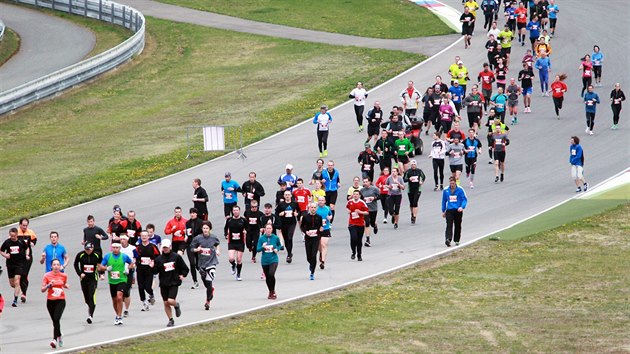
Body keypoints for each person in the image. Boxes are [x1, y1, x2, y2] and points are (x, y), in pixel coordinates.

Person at [150, 238, 189, 327]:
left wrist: (183, 275)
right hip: (164, 283)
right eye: (164, 248)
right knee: (166, 302)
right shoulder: (159, 259)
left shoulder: (176, 257)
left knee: (170, 300)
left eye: (167, 247)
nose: (165, 249)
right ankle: (170, 319)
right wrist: (152, 267)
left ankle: (176, 305)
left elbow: (185, 268)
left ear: (170, 247)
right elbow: (155, 272)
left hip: (174, 282)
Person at [98, 242, 134, 326]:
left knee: (119, 297)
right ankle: (117, 314)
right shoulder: (108, 256)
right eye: (114, 248)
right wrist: (106, 268)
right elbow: (100, 267)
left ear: (120, 248)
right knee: (114, 300)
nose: (115, 249)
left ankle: (119, 316)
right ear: (111, 248)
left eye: (117, 248)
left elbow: (131, 263)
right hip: (112, 281)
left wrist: (128, 269)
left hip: (122, 279)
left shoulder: (124, 256)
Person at [191, 221, 221, 310]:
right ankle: (210, 289)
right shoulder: (198, 238)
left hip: (212, 262)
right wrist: (197, 249)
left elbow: (217, 244)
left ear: (209, 229)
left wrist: (218, 250)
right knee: (205, 281)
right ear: (202, 229)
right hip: (202, 263)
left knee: (209, 279)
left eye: (207, 228)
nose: (205, 230)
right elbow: (192, 248)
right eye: (204, 228)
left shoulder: (214, 237)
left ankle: (207, 301)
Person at [41, 259, 68, 349]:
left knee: (56, 318)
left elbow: (64, 284)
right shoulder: (47, 276)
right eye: (54, 265)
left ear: (60, 266)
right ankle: (59, 335)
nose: (56, 266)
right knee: (55, 321)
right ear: (51, 266)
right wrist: (48, 285)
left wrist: (66, 286)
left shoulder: (63, 275)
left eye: (57, 264)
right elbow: (42, 290)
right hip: (50, 301)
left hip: (60, 300)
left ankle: (54, 340)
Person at [1, 228, 30, 307]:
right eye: (11, 236)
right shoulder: (7, 242)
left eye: (13, 236)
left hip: (19, 264)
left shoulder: (21, 242)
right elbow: (1, 250)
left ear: (17, 234)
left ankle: (15, 300)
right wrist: (5, 255)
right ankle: (18, 289)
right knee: (12, 284)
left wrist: (27, 255)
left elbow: (27, 248)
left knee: (17, 281)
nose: (12, 237)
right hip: (10, 265)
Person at [73, 242, 101, 323]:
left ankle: (90, 316)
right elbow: (75, 264)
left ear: (92, 248)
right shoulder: (80, 255)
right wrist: (79, 273)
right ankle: (90, 307)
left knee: (91, 295)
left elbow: (101, 265)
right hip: (84, 279)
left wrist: (101, 274)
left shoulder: (97, 255)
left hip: (93, 278)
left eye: (89, 249)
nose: (88, 251)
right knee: (86, 298)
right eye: (86, 249)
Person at [257, 224, 283, 300]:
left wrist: (277, 249)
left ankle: (273, 291)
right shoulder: (262, 238)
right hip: (265, 260)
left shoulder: (275, 238)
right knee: (267, 277)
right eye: (267, 228)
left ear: (272, 229)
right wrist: (263, 247)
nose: (268, 230)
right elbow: (257, 249)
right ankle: (270, 291)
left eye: (270, 228)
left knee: (271, 274)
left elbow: (279, 245)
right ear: (265, 229)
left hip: (273, 259)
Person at [135, 231, 159, 312]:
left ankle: (151, 294)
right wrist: (136, 262)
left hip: (149, 270)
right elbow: (135, 257)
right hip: (140, 270)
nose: (144, 237)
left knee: (147, 287)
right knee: (141, 287)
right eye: (142, 236)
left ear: (148, 237)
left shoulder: (152, 247)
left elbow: (158, 257)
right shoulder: (138, 247)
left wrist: (153, 262)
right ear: (140, 237)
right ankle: (144, 303)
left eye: (145, 236)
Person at [441, 176, 468, 247]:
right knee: (449, 224)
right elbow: (444, 201)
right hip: (449, 210)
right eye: (451, 183)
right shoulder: (446, 190)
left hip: (458, 210)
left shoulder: (460, 189)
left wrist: (462, 207)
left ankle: (456, 240)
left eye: (453, 183)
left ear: (455, 183)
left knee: (457, 225)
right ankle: (448, 239)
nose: (452, 185)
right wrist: (443, 211)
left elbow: (464, 199)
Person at [300, 202, 323, 280]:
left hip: (316, 238)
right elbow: (302, 226)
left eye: (314, 207)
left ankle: (312, 272)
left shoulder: (319, 217)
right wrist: (306, 232)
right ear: (309, 208)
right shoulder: (305, 217)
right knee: (309, 256)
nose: (313, 209)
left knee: (314, 255)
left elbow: (321, 227)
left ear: (316, 208)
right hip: (308, 238)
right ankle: (311, 264)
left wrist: (320, 230)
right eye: (311, 207)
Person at [223, 205, 247, 280]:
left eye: (237, 210)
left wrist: (245, 231)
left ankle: (238, 274)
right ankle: (233, 265)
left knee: (239, 259)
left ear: (239, 211)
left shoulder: (243, 220)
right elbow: (225, 228)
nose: (235, 212)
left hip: (240, 242)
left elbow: (248, 228)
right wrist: (226, 234)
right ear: (232, 211)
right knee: (231, 258)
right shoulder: (229, 220)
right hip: (232, 241)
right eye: (234, 210)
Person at [16, 218, 36, 303]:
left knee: (24, 274)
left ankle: (24, 294)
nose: (25, 227)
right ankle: (19, 288)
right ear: (20, 224)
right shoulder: (16, 232)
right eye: (23, 225)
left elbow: (34, 240)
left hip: (28, 257)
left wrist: (32, 243)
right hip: (18, 257)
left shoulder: (30, 232)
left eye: (26, 225)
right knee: (18, 276)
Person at [276, 190, 299, 263]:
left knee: (289, 237)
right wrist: (280, 214)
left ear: (291, 196)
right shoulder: (281, 204)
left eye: (288, 195)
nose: (287, 196)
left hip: (292, 223)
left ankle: (289, 254)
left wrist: (297, 214)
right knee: (286, 239)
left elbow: (299, 211)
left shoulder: (294, 204)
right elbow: (276, 213)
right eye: (286, 195)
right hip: (283, 223)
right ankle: (289, 252)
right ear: (284, 196)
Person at [347, 190, 369, 260]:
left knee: (359, 240)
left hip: (360, 224)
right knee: (353, 238)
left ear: (359, 195)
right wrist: (348, 211)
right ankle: (353, 252)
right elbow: (347, 207)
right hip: (352, 223)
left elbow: (367, 212)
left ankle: (359, 255)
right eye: (354, 194)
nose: (355, 195)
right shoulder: (350, 202)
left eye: (357, 194)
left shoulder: (362, 202)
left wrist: (360, 212)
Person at [185, 208, 203, 288]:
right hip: (190, 245)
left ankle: (203, 274)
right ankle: (195, 281)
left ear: (196, 214)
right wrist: (186, 237)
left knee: (198, 264)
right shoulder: (188, 223)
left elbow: (203, 234)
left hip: (198, 245)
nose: (192, 214)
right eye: (191, 213)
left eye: (193, 213)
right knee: (192, 263)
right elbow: (187, 232)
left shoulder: (200, 222)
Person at [403, 160, 426, 224]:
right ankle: (412, 213)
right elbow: (404, 179)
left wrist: (421, 182)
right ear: (411, 165)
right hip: (410, 189)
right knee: (411, 203)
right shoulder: (408, 171)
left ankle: (414, 216)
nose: (413, 166)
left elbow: (423, 177)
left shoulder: (419, 171)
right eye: (412, 165)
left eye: (414, 165)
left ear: (416, 165)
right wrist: (408, 179)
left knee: (415, 202)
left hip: (417, 189)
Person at [360, 178, 380, 247]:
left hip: (373, 209)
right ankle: (368, 240)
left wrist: (374, 198)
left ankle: (375, 225)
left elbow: (381, 196)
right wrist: (363, 200)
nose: (365, 183)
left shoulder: (374, 189)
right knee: (367, 223)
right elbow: (360, 198)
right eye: (364, 182)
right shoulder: (362, 190)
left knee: (372, 223)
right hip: (365, 209)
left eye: (366, 182)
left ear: (369, 182)